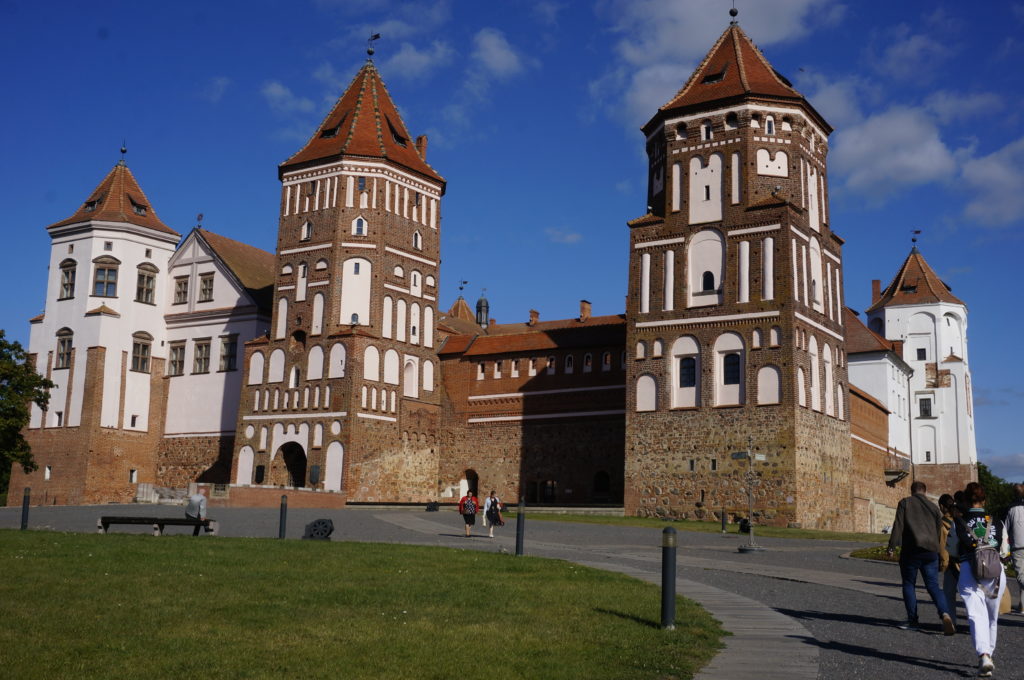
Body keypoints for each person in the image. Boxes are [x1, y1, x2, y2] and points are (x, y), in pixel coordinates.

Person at [887, 480, 956, 635]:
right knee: (933, 586)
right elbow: (939, 532)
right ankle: (945, 613)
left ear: (912, 491)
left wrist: (892, 545)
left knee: (909, 584)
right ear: (925, 491)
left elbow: (898, 525)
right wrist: (939, 552)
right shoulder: (933, 507)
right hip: (931, 551)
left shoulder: (905, 503)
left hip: (911, 550)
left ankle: (913, 620)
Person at [953, 481, 1006, 677]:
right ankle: (989, 654)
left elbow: (951, 547)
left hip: (969, 567)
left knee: (976, 615)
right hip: (995, 570)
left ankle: (983, 655)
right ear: (984, 499)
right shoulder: (996, 520)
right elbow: (1004, 549)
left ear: (966, 500)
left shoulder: (959, 520)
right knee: (992, 617)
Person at [938, 493, 961, 628]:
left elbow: (943, 547)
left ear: (941, 506)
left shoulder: (943, 523)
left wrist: (943, 565)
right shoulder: (960, 519)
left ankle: (952, 621)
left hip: (951, 563)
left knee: (949, 594)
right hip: (965, 561)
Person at [1003, 483, 1024, 614]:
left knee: (1021, 576)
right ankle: (1022, 605)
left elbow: (1005, 529)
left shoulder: (1011, 509)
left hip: (1017, 546)